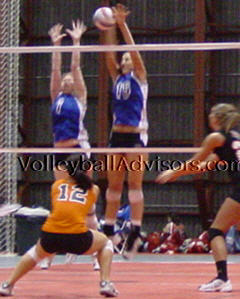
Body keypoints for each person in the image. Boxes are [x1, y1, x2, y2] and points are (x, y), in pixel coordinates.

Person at [156, 103, 240, 292]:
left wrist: (173, 172)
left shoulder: (215, 137)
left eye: (211, 114)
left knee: (215, 232)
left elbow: (195, 161)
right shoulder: (235, 137)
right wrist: (179, 173)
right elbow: (205, 166)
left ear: (217, 118)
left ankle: (222, 278)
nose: (208, 117)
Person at [0, 154, 118, 297]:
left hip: (50, 235)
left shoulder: (56, 186)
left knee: (35, 253)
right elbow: (85, 211)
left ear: (68, 171)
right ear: (88, 171)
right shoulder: (94, 189)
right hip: (77, 238)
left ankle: (8, 284)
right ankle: (105, 283)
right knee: (106, 243)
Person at [47, 20, 99, 270]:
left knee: (86, 199)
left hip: (79, 149)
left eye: (70, 79)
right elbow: (56, 70)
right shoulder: (56, 95)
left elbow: (75, 66)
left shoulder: (80, 98)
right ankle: (54, 250)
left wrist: (76, 41)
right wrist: (56, 45)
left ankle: (96, 253)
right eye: (65, 79)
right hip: (59, 152)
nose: (67, 79)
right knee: (60, 199)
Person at [102, 4, 148, 259]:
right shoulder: (116, 77)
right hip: (116, 136)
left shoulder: (140, 77)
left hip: (136, 136)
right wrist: (107, 27)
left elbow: (135, 53)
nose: (127, 59)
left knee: (134, 184)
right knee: (113, 186)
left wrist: (121, 25)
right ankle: (109, 230)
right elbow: (109, 53)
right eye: (125, 58)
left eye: (129, 57)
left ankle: (135, 232)